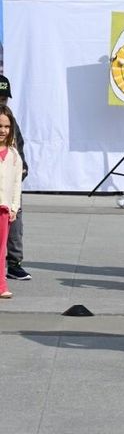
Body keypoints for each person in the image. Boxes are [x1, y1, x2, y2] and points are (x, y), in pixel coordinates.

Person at [0, 75, 30, 281]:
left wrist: (22, 170)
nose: (1, 103)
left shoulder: (11, 122)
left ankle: (14, 263)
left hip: (8, 183)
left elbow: (18, 148)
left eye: (4, 99)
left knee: (15, 219)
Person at [0, 105, 23, 298]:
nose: (3, 130)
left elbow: (16, 184)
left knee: (1, 250)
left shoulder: (14, 155)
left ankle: (1, 285)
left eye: (6, 126)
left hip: (4, 209)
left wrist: (14, 207)